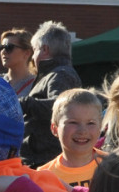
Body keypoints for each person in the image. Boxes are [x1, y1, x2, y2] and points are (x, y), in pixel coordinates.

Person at [20, 21, 83, 167]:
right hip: (42, 158)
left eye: (34, 50)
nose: (33, 57)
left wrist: (23, 103)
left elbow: (60, 107)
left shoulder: (60, 74)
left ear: (44, 49)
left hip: (45, 160)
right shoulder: (56, 73)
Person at [39, 89, 104, 187]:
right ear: (55, 129)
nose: (82, 131)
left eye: (90, 123)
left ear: (100, 127)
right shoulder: (43, 176)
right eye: (73, 122)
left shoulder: (115, 166)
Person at [0, 29, 38, 99]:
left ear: (27, 53)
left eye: (9, 47)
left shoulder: (37, 85)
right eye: (1, 47)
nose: (3, 52)